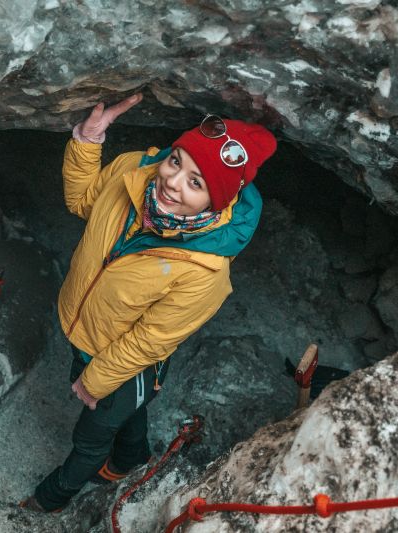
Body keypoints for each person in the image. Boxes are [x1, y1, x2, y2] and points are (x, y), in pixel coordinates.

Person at [21, 93, 277, 512]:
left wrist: (95, 381)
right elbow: (83, 201)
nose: (173, 182)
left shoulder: (204, 272)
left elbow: (148, 342)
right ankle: (130, 458)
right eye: (177, 161)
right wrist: (87, 142)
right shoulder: (134, 173)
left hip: (130, 367)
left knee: (90, 436)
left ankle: (50, 499)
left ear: (221, 200)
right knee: (126, 416)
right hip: (87, 333)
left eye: (197, 183)